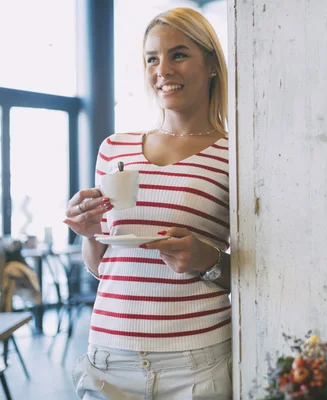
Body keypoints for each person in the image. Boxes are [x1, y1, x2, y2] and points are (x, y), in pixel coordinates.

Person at [64, 7, 232, 399]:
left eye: (179, 54)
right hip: (109, 357)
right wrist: (89, 234)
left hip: (196, 361)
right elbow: (103, 268)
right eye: (152, 58)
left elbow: (258, 273)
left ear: (210, 64)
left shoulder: (236, 154)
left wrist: (208, 260)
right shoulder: (114, 149)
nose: (163, 70)